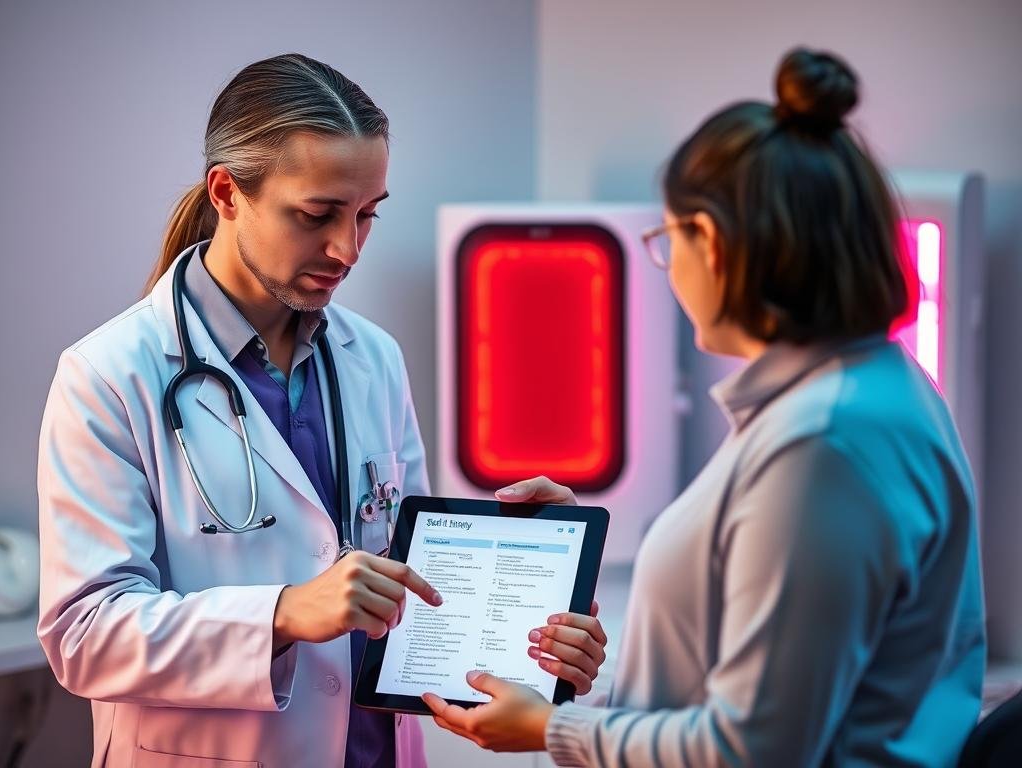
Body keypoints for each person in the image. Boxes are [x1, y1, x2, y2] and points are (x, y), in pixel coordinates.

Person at [36, 53, 605, 768]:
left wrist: (529, 594)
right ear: (227, 192)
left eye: (367, 214)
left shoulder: (373, 358)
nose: (347, 248)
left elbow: (401, 579)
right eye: (318, 214)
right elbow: (83, 635)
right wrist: (281, 613)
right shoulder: (109, 375)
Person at [423, 48, 987, 767]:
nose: (666, 265)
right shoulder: (868, 389)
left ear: (711, 244)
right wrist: (581, 541)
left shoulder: (824, 443)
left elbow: (755, 748)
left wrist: (548, 730)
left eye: (665, 241)